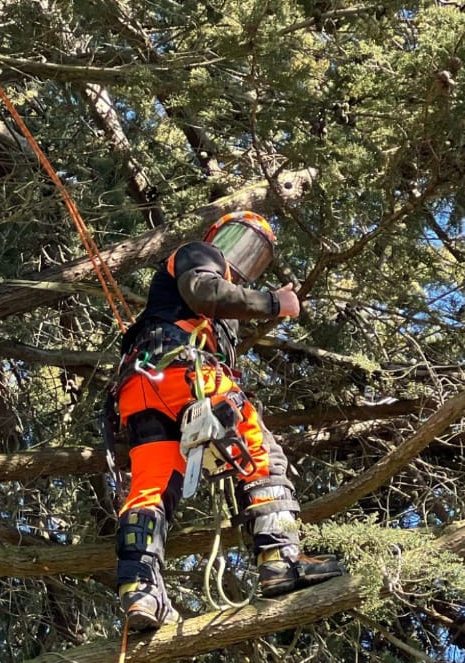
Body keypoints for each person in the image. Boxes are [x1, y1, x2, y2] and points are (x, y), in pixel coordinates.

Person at [112, 210, 344, 631]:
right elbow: (206, 293)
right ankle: (280, 558)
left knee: (152, 486)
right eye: (241, 239)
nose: (241, 256)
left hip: (141, 391)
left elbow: (214, 304)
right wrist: (275, 303)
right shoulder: (197, 256)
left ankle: (139, 589)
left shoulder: (224, 316)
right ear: (216, 236)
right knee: (262, 458)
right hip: (186, 374)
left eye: (256, 252)